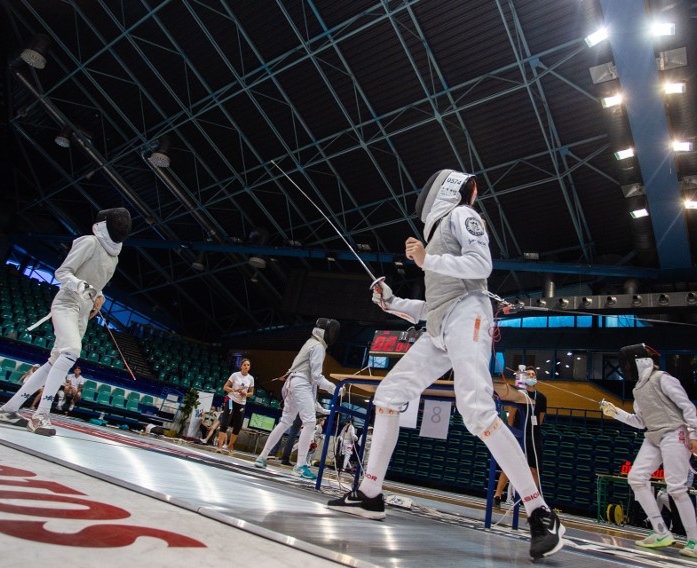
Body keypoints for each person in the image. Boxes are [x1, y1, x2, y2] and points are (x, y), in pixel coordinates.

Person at [326, 170, 564, 560]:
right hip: (440, 328)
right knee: (389, 394)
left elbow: (481, 265)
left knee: (477, 412)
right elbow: (432, 307)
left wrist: (426, 258)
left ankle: (540, 512)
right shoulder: (437, 235)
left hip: (468, 316)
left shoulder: (459, 217)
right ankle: (370, 493)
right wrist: (391, 302)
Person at [0, 208, 131, 436]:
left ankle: (8, 409)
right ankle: (40, 415)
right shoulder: (89, 242)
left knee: (54, 361)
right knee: (71, 352)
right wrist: (80, 285)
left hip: (83, 311)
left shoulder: (113, 257)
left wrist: (98, 296)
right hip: (67, 302)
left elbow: (98, 284)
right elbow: (62, 272)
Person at [600, 343, 697, 559]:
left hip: (675, 433)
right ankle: (660, 531)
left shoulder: (663, 378)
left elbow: (687, 406)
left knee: (676, 488)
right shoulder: (638, 389)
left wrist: (695, 435)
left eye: (627, 362)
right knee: (636, 478)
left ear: (638, 361)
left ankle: (695, 543)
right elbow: (640, 422)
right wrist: (616, 413)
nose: (625, 367)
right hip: (655, 436)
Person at [254, 318, 338, 480]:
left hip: (292, 382)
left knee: (286, 421)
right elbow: (316, 377)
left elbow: (312, 390)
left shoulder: (309, 342)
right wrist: (334, 388)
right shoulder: (318, 347)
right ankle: (300, 466)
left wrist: (324, 409)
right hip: (300, 383)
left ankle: (262, 457)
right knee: (310, 422)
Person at [493, 367, 547, 506]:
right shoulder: (518, 394)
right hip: (518, 432)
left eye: (533, 374)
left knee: (533, 468)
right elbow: (512, 413)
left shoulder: (541, 397)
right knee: (510, 466)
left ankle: (534, 500)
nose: (530, 376)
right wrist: (512, 432)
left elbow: (540, 419)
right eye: (528, 374)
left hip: (533, 436)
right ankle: (498, 495)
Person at [216, 359, 255, 454]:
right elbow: (225, 387)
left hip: (241, 403)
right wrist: (234, 390)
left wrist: (244, 394)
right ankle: (220, 446)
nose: (246, 366)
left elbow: (251, 393)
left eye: (248, 365)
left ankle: (230, 444)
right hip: (231, 401)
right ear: (241, 366)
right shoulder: (235, 375)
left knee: (237, 426)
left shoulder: (251, 378)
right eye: (245, 365)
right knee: (225, 423)